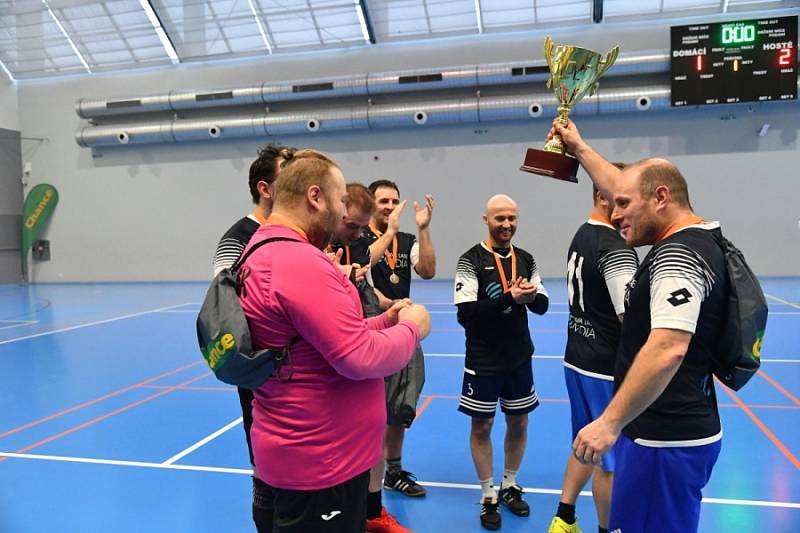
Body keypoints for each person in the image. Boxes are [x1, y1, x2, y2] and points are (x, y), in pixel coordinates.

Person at [239, 149, 431, 533]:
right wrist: (412, 327)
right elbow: (357, 357)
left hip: (299, 458)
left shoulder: (262, 248)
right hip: (321, 468)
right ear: (315, 197)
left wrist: (382, 320)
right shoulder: (299, 262)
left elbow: (318, 339)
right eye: (341, 198)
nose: (345, 211)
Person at [553, 118, 727, 533]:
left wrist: (609, 422)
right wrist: (577, 147)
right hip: (664, 431)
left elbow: (668, 348)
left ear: (661, 198)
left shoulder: (677, 258)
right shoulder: (698, 234)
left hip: (664, 440)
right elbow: (626, 185)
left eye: (623, 205)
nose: (615, 214)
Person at [211, 143, 293, 532]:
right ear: (265, 188)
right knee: (265, 463)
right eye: (287, 175)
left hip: (299, 372)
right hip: (263, 372)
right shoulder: (238, 237)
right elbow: (227, 310)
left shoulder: (295, 233)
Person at [454, 194, 549, 530]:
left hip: (519, 357)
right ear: (486, 219)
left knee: (519, 422)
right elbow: (466, 315)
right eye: (500, 219)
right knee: (482, 426)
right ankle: (487, 494)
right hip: (483, 360)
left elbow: (542, 306)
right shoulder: (470, 260)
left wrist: (530, 296)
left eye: (512, 218)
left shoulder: (526, 259)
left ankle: (509, 485)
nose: (506, 225)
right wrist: (510, 298)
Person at [548, 180, 638, 533]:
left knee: (585, 441)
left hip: (577, 358)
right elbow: (628, 318)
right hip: (605, 367)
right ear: (603, 197)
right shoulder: (615, 246)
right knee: (609, 460)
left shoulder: (583, 233)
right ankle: (608, 529)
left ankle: (564, 518)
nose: (630, 206)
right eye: (624, 199)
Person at [330, 182, 413, 533]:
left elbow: (367, 260)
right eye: (352, 226)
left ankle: (373, 511)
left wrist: (394, 230)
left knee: (374, 426)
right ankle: (344, 512)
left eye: (362, 228)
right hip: (336, 353)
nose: (358, 234)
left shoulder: (357, 242)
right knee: (342, 437)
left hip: (362, 334)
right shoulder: (313, 248)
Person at [363, 179, 436, 498]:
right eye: (383, 201)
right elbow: (363, 281)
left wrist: (423, 229)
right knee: (372, 409)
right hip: (375, 329)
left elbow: (429, 270)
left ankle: (393, 471)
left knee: (400, 407)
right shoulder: (360, 239)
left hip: (403, 329)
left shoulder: (406, 240)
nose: (390, 207)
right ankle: (367, 483)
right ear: (369, 203)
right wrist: (393, 307)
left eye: (394, 201)